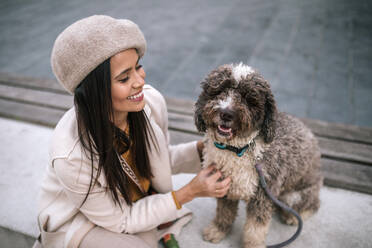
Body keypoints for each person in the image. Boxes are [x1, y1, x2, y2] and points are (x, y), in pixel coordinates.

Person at [34, 15, 231, 248]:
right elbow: (122, 220)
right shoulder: (71, 156)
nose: (139, 81)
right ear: (93, 91)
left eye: (138, 66)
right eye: (124, 77)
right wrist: (188, 192)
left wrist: (204, 151)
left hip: (130, 204)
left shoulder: (151, 102)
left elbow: (158, 162)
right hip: (82, 221)